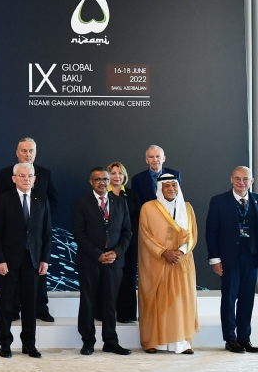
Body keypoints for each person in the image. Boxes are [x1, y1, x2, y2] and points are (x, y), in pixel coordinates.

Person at [0, 163, 52, 359]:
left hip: (33, 260)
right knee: (7, 304)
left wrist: (45, 259)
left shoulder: (42, 200)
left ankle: (29, 344)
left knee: (30, 305)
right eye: (22, 176)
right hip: (9, 262)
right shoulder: (3, 199)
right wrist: (0, 260)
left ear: (35, 179)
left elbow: (47, 233)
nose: (26, 179)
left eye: (30, 176)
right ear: (14, 178)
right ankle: (5, 344)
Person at [71, 168, 132, 356]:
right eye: (98, 179)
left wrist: (116, 252)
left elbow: (127, 232)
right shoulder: (82, 202)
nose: (102, 182)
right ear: (91, 182)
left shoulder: (120, 202)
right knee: (88, 302)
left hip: (114, 262)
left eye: (105, 179)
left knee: (110, 303)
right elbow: (78, 233)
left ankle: (110, 342)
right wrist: (97, 254)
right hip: (89, 261)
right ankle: (88, 342)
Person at [0, 137, 57, 322]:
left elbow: (52, 200)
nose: (28, 154)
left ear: (36, 153)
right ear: (17, 153)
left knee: (39, 277)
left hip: (36, 237)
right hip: (13, 238)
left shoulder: (45, 173)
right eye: (24, 150)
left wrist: (38, 218)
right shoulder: (6, 173)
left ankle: (41, 309)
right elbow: (0, 203)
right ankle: (13, 310)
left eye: (31, 151)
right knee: (12, 279)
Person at [206, 166, 258, 353]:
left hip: (252, 258)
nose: (241, 182)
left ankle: (244, 338)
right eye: (237, 178)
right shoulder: (219, 201)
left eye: (245, 179)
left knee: (247, 299)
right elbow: (211, 232)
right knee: (229, 299)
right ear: (231, 179)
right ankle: (230, 338)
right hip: (229, 258)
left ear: (251, 181)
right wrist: (215, 258)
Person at [138, 173, 198, 354]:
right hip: (157, 263)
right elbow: (145, 235)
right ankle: (154, 341)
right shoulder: (148, 208)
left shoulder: (187, 208)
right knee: (158, 301)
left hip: (181, 262)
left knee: (180, 302)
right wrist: (164, 252)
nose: (171, 189)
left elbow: (192, 234)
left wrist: (180, 252)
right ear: (160, 188)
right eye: (167, 186)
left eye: (174, 185)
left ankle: (182, 342)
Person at [128, 146, 181, 324]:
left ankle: (169, 317)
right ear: (146, 160)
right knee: (150, 277)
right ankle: (150, 317)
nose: (154, 160)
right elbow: (137, 209)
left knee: (170, 280)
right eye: (151, 157)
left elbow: (178, 203)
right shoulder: (138, 179)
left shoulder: (174, 174)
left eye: (157, 156)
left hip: (170, 236)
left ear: (163, 158)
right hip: (149, 234)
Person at [109, 161, 141, 323]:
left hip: (130, 243)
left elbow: (138, 218)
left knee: (128, 278)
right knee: (109, 278)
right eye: (113, 173)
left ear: (124, 176)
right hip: (109, 244)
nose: (117, 176)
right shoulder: (102, 193)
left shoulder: (132, 194)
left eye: (120, 173)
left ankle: (126, 314)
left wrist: (130, 237)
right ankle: (106, 313)